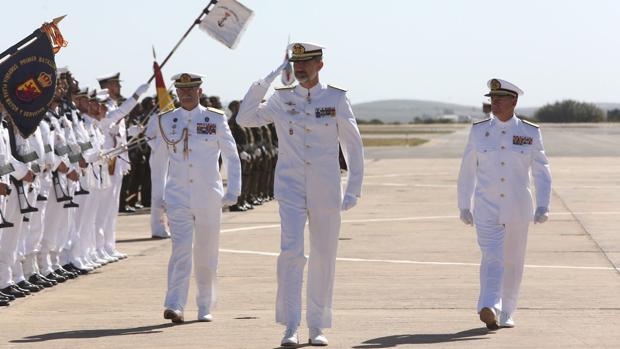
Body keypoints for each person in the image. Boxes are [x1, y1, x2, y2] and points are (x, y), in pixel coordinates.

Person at [237, 42, 364, 346]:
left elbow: (353, 145)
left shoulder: (335, 98)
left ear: (320, 64)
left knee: (323, 254)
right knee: (291, 252)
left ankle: (317, 325)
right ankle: (290, 324)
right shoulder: (281, 99)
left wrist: (353, 189)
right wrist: (267, 78)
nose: (300, 68)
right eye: (296, 64)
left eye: (306, 63)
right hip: (290, 185)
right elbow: (245, 118)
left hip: (326, 187)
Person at [457, 78, 552, 330]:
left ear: (514, 101)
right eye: (492, 99)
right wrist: (463, 204)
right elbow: (467, 169)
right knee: (492, 256)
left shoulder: (529, 133)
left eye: (499, 99)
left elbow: (541, 171)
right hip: (486, 206)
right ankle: (489, 305)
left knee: (513, 261)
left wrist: (544, 204)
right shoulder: (478, 130)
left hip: (518, 207)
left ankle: (507, 310)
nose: (494, 103)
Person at [157, 73, 241, 324]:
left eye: (191, 90)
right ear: (177, 93)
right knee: (180, 249)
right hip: (177, 195)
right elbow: (159, 162)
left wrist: (233, 191)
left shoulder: (214, 118)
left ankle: (205, 305)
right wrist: (159, 196)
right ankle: (175, 304)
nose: (186, 94)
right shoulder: (166, 119)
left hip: (208, 196)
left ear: (199, 91)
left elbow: (231, 155)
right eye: (182, 90)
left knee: (206, 252)